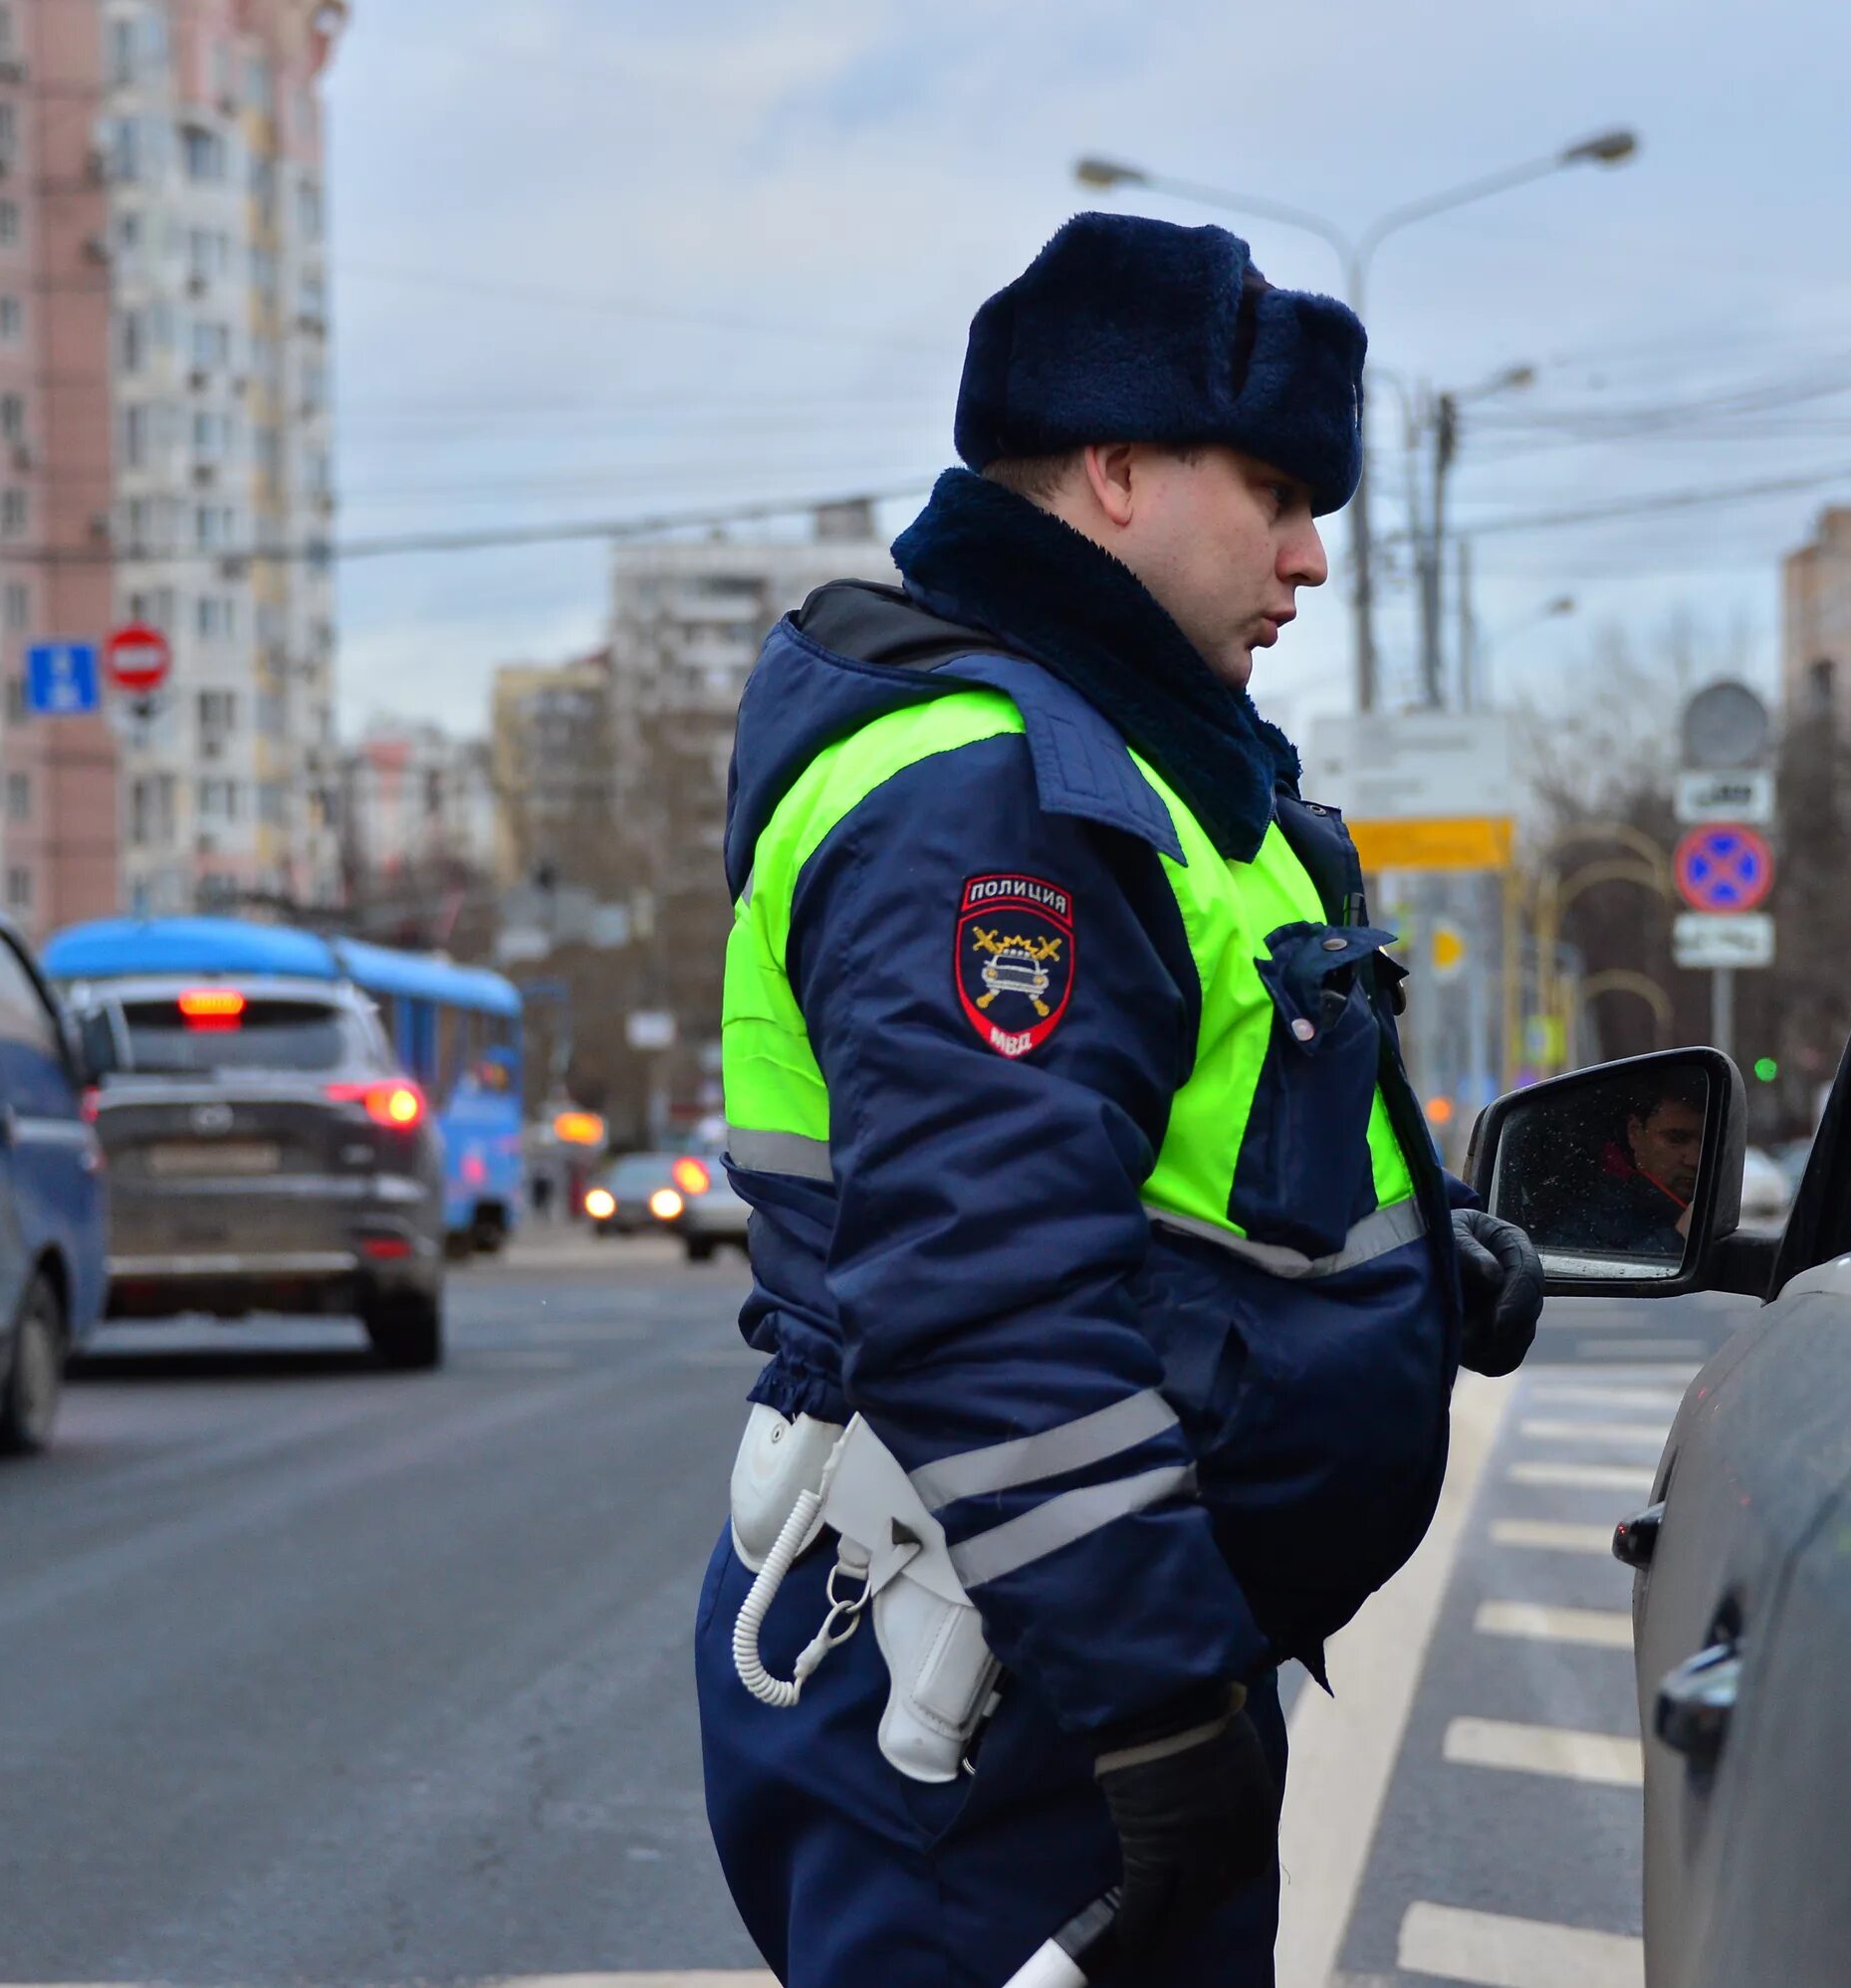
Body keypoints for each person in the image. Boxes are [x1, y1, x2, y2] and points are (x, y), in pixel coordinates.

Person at [693, 213, 1545, 1987]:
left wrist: (1417, 1267)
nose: (1313, 557)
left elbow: (1196, 1172)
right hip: (1009, 1690)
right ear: (1116, 472)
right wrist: (1161, 1712)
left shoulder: (1157, 773)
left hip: (1076, 1653)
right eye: (1280, 493)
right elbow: (985, 1297)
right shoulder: (996, 794)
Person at [1545, 1067, 1704, 1258]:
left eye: (1707, 1141)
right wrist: (1677, 1240)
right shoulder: (1588, 1221)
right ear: (1635, 1133)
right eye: (1676, 1139)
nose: (1695, 1159)